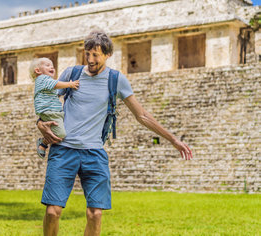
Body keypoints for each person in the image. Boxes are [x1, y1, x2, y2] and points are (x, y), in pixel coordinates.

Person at [37, 30, 193, 236]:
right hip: (63, 149)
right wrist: (40, 123)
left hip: (94, 153)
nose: (91, 60)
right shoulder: (71, 74)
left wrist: (173, 139)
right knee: (52, 212)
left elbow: (142, 115)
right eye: (88, 54)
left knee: (95, 214)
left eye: (96, 55)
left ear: (108, 55)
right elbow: (47, 103)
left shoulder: (116, 79)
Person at [30, 57, 79, 158]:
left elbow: (55, 92)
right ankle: (43, 142)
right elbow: (56, 85)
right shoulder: (43, 79)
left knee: (58, 134)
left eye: (52, 66)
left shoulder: (45, 82)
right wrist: (70, 84)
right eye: (47, 65)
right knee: (60, 135)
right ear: (38, 70)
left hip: (52, 111)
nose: (52, 67)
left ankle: (44, 143)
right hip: (49, 111)